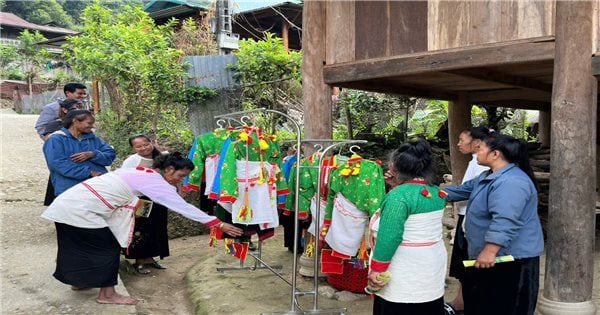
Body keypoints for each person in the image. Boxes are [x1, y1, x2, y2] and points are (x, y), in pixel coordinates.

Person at [41, 152, 244, 305]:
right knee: (109, 247)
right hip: (80, 210)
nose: (180, 180)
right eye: (181, 176)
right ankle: (107, 294)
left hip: (69, 205)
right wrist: (217, 222)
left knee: (77, 247)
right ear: (169, 170)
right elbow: (181, 206)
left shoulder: (141, 171)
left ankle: (79, 281)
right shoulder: (154, 182)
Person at [443, 133, 544, 315]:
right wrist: (423, 191)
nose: (476, 151)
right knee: (484, 302)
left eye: (480, 148)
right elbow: (461, 190)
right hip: (489, 257)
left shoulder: (512, 182)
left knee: (505, 306)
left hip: (509, 260)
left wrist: (490, 250)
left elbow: (505, 220)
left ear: (495, 154)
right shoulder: (487, 176)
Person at [368, 139, 447, 315]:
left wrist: (377, 268)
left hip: (405, 265)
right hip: (431, 261)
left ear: (395, 168)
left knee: (400, 306)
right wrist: (396, 186)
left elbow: (390, 236)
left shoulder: (398, 197)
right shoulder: (436, 192)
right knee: (427, 303)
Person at [447, 126, 491, 314]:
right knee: (463, 263)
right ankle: (461, 301)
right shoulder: (476, 161)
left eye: (461, 140)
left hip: (472, 220)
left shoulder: (485, 166)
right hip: (465, 217)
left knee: (470, 262)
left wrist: (433, 193)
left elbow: (467, 190)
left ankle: (466, 302)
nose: (458, 144)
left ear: (477, 142)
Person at [121, 134, 169, 274]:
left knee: (157, 226)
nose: (143, 148)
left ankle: (150, 258)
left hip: (159, 198)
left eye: (146, 144)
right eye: (139, 146)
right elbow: (125, 181)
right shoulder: (131, 161)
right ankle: (139, 260)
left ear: (151, 143)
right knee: (141, 228)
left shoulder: (162, 158)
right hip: (141, 199)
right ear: (133, 148)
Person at [43, 110, 116, 197]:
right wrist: (89, 172)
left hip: (97, 187)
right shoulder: (56, 140)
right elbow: (57, 164)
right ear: (75, 121)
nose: (92, 126)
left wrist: (93, 154)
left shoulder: (93, 138)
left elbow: (110, 154)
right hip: (70, 188)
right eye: (89, 123)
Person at [41, 99, 84, 206]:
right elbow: (51, 148)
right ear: (64, 110)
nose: (78, 111)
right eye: (75, 108)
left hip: (81, 167)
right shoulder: (55, 126)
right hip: (64, 167)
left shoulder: (85, 126)